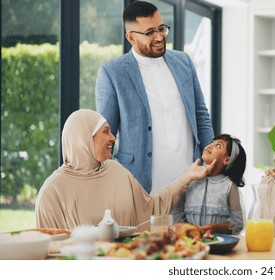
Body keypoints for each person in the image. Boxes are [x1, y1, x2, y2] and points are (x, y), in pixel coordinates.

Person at [95, 1, 214, 195]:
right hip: (141, 187)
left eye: (162, 28)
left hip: (192, 183)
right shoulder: (112, 72)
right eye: (150, 32)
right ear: (131, 37)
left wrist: (212, 163)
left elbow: (201, 115)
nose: (159, 37)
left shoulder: (184, 62)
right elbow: (105, 134)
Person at [35, 109, 215, 230]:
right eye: (105, 131)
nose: (113, 137)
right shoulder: (53, 192)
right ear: (83, 138)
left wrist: (187, 177)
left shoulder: (116, 171)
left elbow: (153, 209)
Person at [173, 134, 247, 235]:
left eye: (218, 145)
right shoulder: (191, 179)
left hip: (219, 244)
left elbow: (238, 224)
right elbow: (176, 213)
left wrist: (214, 228)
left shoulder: (229, 185)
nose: (210, 145)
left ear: (227, 160)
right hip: (190, 243)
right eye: (211, 143)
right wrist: (188, 228)